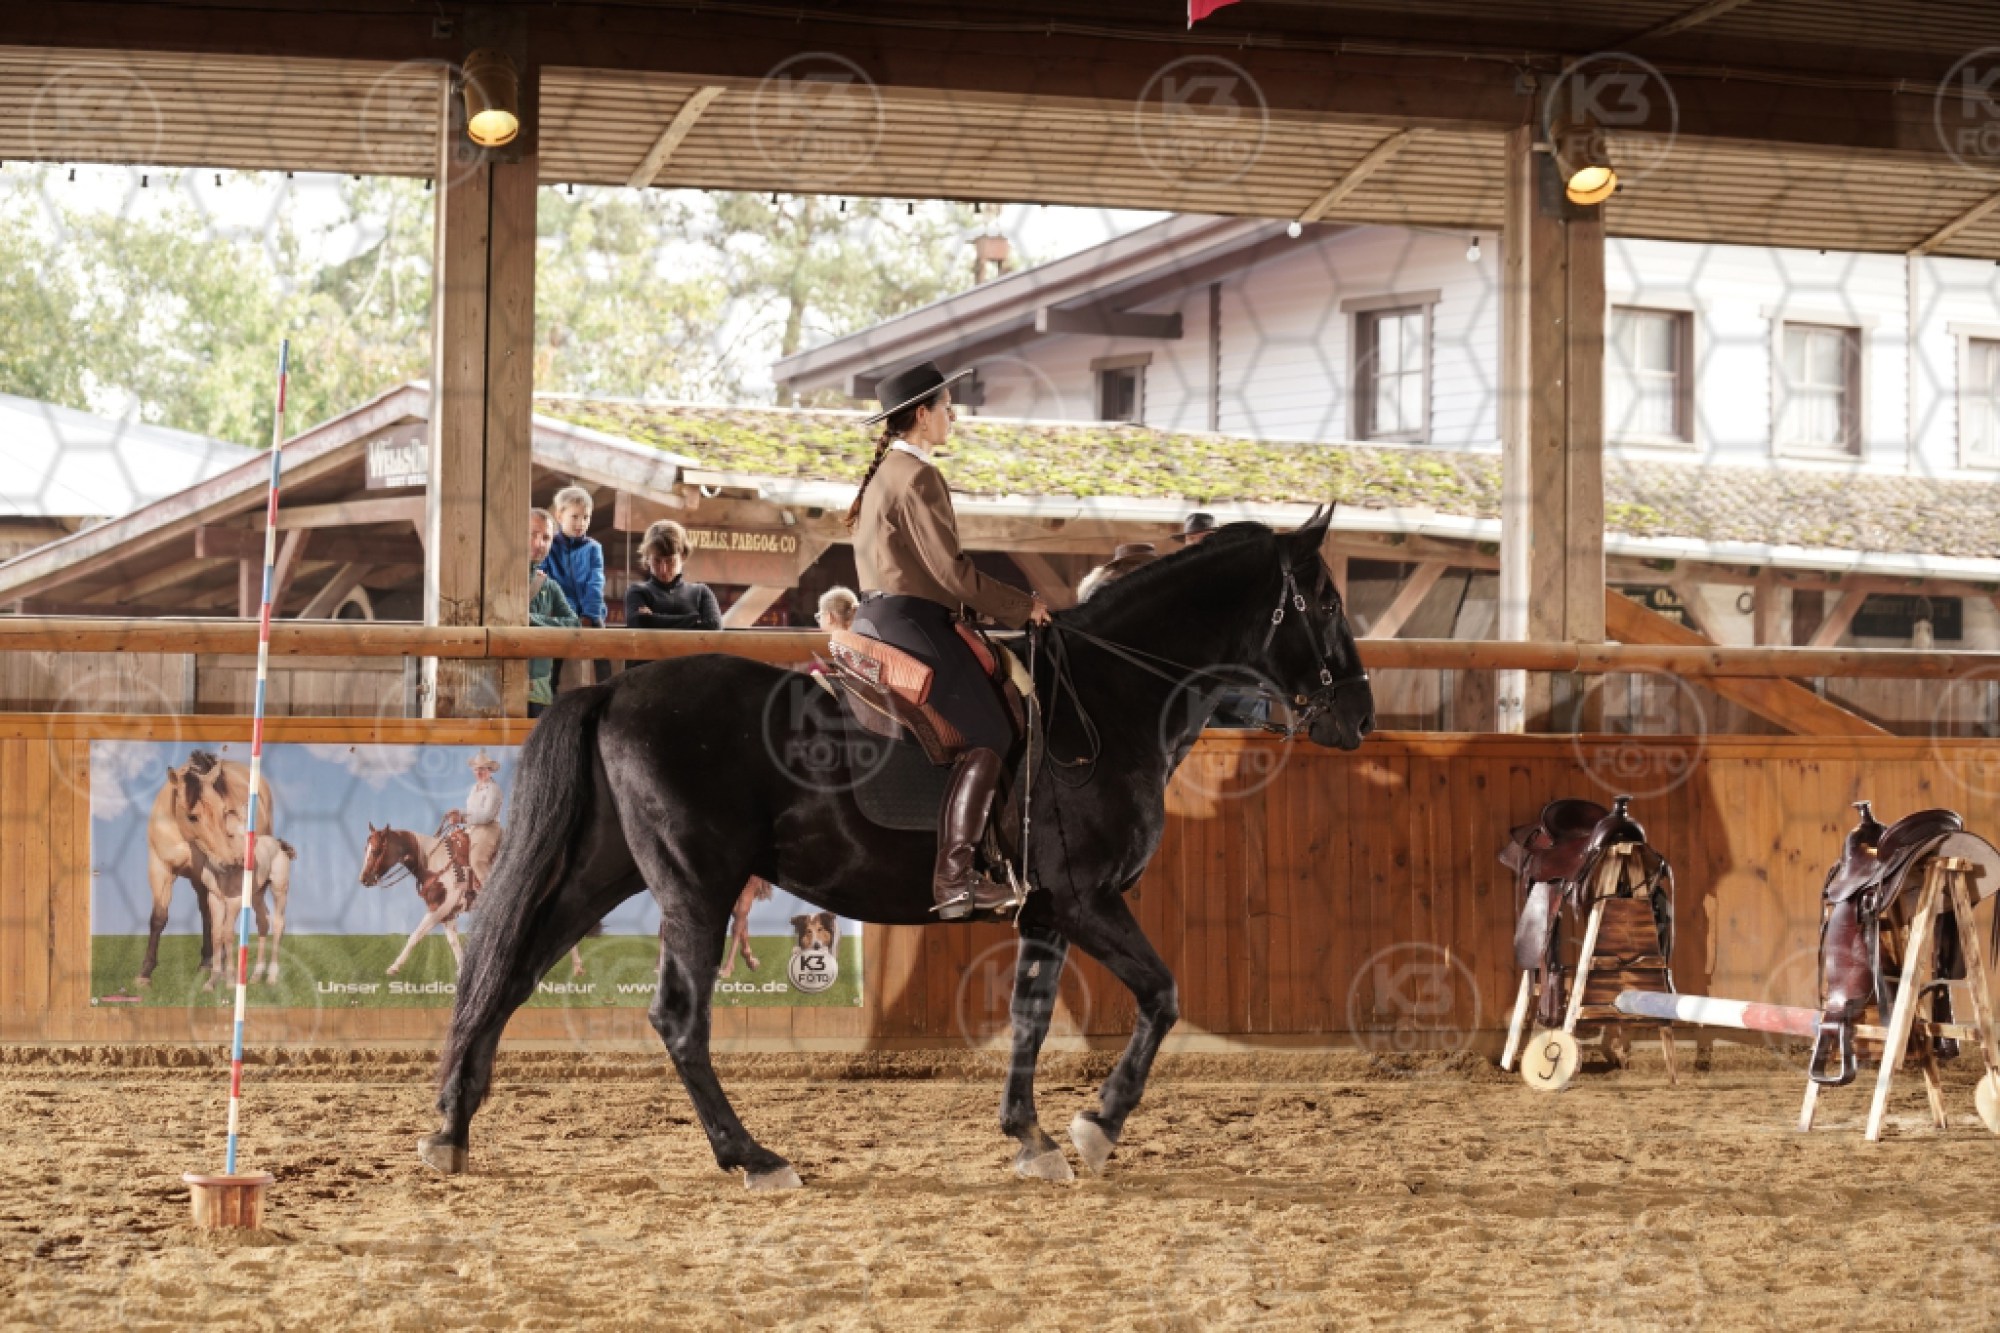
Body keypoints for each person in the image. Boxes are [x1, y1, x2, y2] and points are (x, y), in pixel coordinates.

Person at [847, 360, 1051, 920]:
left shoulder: (885, 475)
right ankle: (955, 881)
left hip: (877, 619)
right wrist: (1024, 607)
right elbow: (951, 574)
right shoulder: (919, 477)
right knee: (988, 731)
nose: (953, 417)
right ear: (922, 414)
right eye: (947, 408)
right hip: (911, 623)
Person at [543, 485, 610, 685]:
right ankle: (548, 693)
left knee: (603, 652)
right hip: (561, 613)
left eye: (586, 517)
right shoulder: (550, 547)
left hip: (591, 613)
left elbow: (595, 582)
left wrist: (590, 614)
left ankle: (607, 688)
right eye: (575, 517)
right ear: (559, 515)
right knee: (552, 661)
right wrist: (565, 613)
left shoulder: (593, 548)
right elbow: (547, 581)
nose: (581, 523)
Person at [527, 507, 579, 719]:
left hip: (539, 693)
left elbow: (574, 625)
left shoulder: (549, 586)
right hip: (498, 689)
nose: (539, 544)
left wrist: (531, 620)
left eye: (546, 538)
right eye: (533, 534)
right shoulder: (495, 580)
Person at [625, 519, 722, 630]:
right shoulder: (637, 592)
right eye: (657, 561)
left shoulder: (701, 592)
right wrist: (693, 619)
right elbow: (637, 623)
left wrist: (652, 619)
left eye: (670, 561)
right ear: (647, 558)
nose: (663, 569)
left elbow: (714, 626)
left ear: (683, 556)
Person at [1076, 542, 1159, 602]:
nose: (1143, 568)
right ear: (1124, 565)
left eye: (1146, 565)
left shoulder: (1136, 586)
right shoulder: (1105, 588)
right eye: (1136, 563)